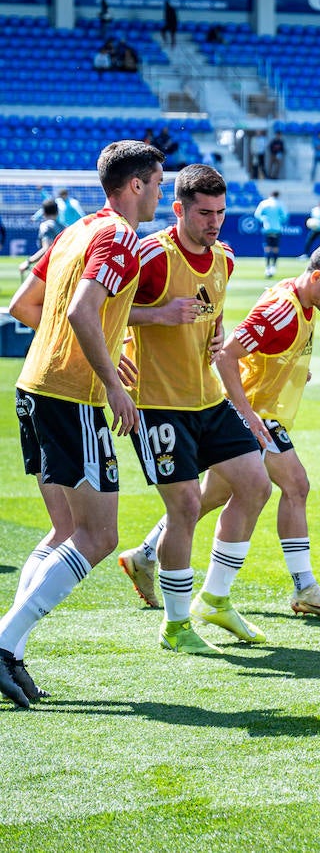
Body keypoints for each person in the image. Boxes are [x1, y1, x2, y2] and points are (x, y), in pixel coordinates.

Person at [0, 140, 165, 708]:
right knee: (99, 537)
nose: (162, 194)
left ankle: (11, 651)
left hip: (33, 387)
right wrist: (113, 383)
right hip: (72, 397)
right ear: (136, 184)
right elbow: (78, 311)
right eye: (158, 183)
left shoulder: (73, 230)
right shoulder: (121, 235)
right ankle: (2, 644)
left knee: (64, 532)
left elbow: (25, 305)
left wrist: (99, 343)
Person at [111, 164, 272, 652]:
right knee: (182, 508)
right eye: (204, 212)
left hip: (208, 398)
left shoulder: (224, 257)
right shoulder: (151, 255)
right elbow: (103, 308)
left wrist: (217, 331)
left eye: (221, 212)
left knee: (256, 485)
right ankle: (176, 625)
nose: (215, 222)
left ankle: (216, 600)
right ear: (178, 208)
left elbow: (212, 309)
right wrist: (156, 315)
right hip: (159, 405)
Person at [199, 243, 320, 621]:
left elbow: (268, 353)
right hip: (254, 415)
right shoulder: (282, 309)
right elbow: (226, 356)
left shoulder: (303, 301)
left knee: (208, 497)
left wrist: (293, 370)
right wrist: (248, 416)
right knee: (296, 485)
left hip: (259, 413)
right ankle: (303, 586)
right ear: (317, 277)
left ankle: (147, 553)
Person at [21, 201, 62, 276]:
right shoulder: (64, 226)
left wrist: (28, 261)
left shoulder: (46, 226)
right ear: (57, 212)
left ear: (44, 213)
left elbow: (46, 248)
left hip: (52, 268)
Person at [254, 190, 288, 279]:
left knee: (267, 248)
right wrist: (278, 221)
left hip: (267, 228)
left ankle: (267, 268)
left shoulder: (264, 203)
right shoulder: (280, 204)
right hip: (277, 229)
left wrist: (264, 220)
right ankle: (273, 267)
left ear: (270, 195)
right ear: (278, 196)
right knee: (276, 249)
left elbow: (257, 214)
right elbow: (285, 216)